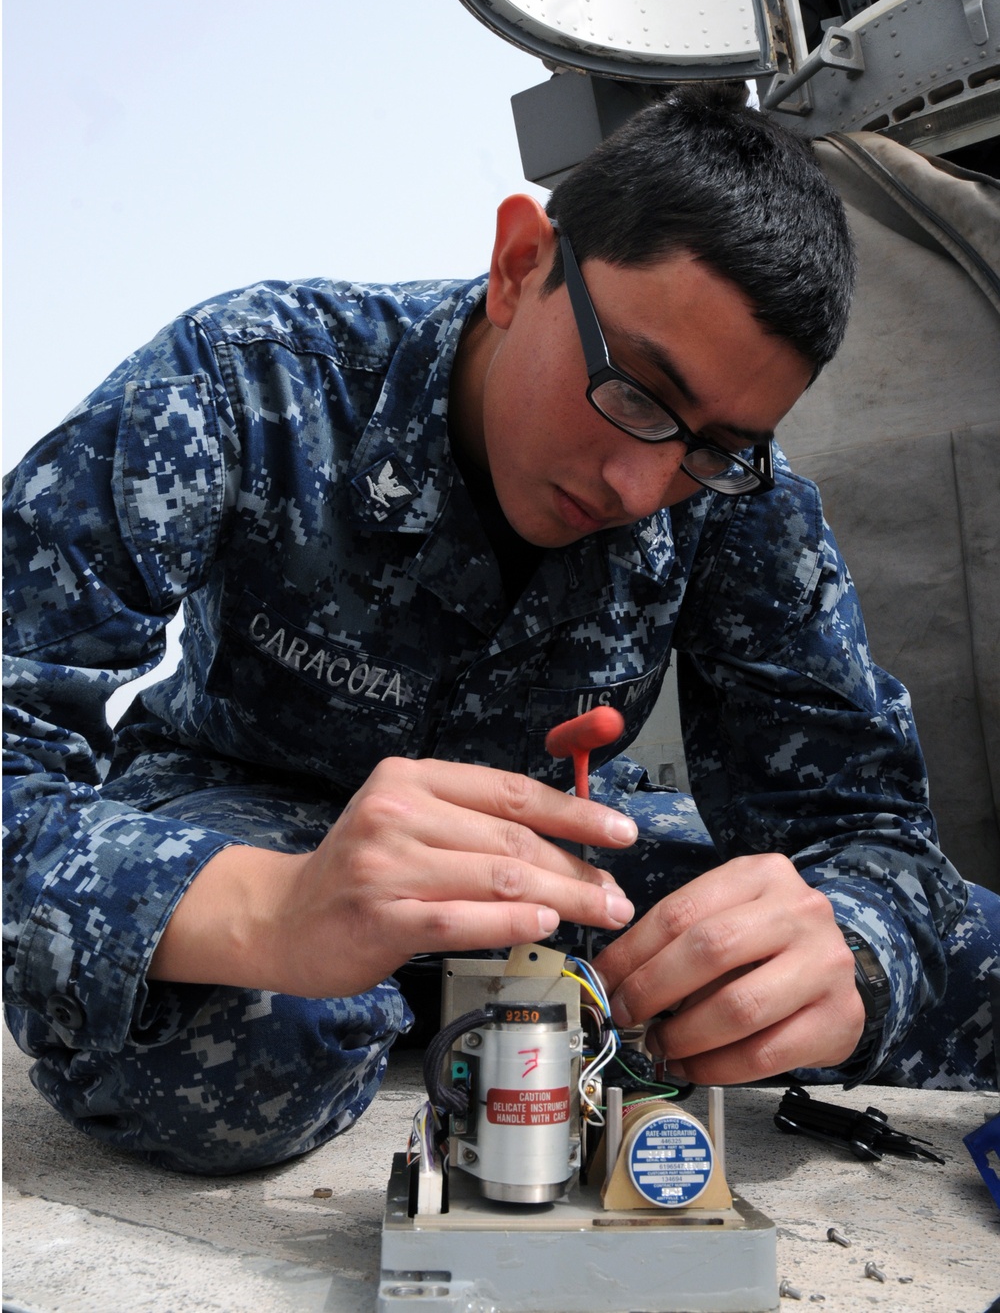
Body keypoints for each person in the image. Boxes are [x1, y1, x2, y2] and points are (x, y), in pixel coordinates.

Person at [3, 87, 995, 1177]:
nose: (640, 481)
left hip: (557, 869)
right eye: (635, 393)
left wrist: (848, 946)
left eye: (713, 443)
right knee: (255, 1040)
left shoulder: (732, 495)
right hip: (246, 828)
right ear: (521, 263)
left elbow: (867, 828)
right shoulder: (250, 377)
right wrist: (268, 907)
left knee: (959, 954)